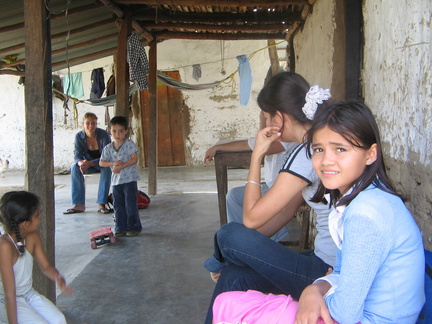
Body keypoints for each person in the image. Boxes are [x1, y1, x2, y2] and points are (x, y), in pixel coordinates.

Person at [212, 101, 425, 324]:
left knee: (230, 306)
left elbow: (345, 313)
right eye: (318, 150)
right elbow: (340, 271)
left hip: (367, 319)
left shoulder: (365, 212)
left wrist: (313, 293)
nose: (326, 161)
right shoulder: (357, 198)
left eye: (340, 149)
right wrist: (316, 288)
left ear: (371, 154)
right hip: (350, 305)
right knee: (233, 278)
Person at [204, 72, 336, 324]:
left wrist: (257, 156)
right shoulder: (316, 144)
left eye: (266, 115)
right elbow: (286, 211)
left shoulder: (307, 151)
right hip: (324, 263)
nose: (264, 122)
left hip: (327, 273)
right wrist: (248, 247)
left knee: (228, 234)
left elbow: (252, 219)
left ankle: (217, 261)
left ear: (279, 117)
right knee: (234, 274)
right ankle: (223, 264)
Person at [204, 111, 297, 242]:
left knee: (257, 205)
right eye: (265, 118)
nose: (267, 122)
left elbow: (266, 148)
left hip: (284, 189)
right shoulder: (276, 135)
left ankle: (264, 241)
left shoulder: (288, 137)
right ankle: (241, 239)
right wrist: (217, 147)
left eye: (268, 117)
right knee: (233, 196)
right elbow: (247, 143)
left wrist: (262, 122)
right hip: (272, 185)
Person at [0, 191, 73, 323]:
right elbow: (9, 294)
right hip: (6, 300)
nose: (40, 218)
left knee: (59, 320)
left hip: (28, 294)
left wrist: (58, 278)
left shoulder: (32, 237)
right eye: (37, 215)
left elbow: (45, 267)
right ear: (26, 224)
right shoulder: (5, 246)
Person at [100, 116, 142, 237]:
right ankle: (120, 226)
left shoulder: (129, 144)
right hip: (116, 182)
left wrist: (120, 167)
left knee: (130, 204)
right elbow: (101, 162)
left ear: (126, 131)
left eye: (121, 131)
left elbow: (134, 159)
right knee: (118, 205)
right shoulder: (108, 148)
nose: (117, 134)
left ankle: (134, 226)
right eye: (114, 131)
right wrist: (113, 164)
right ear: (109, 131)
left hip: (129, 180)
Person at [64, 112, 112, 214]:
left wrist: (91, 163)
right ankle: (79, 204)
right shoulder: (79, 137)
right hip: (87, 165)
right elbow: (77, 155)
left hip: (101, 163)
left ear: (96, 124)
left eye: (93, 123)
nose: (91, 126)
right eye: (88, 123)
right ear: (83, 124)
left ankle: (102, 203)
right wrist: (81, 163)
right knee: (74, 167)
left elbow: (107, 157)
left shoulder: (104, 135)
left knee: (107, 168)